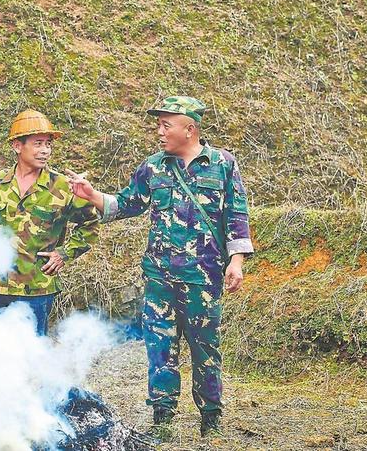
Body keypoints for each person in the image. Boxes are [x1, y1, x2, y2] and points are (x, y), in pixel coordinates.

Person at [66, 96, 254, 438]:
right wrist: (91, 194)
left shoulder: (222, 164)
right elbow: (127, 204)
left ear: (190, 129)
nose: (159, 131)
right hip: (159, 277)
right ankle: (162, 417)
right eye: (159, 124)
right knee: (160, 347)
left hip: (202, 276)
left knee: (205, 347)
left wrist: (236, 260)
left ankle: (210, 417)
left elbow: (237, 215)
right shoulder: (153, 167)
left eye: (166, 125)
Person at [0, 109, 99, 336]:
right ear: (17, 146)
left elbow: (90, 224)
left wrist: (64, 253)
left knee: (33, 356)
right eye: (38, 143)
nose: (45, 151)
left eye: (48, 144)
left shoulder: (62, 186)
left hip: (37, 288)